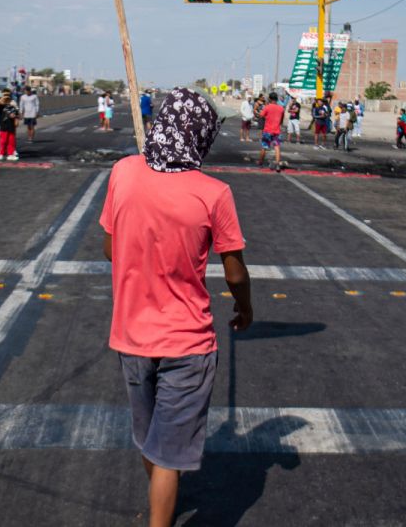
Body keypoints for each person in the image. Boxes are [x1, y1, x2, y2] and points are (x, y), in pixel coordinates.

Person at [99, 87, 252, 527]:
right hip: (187, 341)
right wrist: (245, 308)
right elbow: (235, 270)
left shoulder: (124, 172)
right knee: (167, 457)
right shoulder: (214, 193)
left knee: (151, 444)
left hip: (132, 336)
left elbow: (110, 248)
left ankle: (161, 498)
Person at [258, 91, 285, 168]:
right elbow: (281, 120)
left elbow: (261, 116)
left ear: (269, 99)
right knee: (277, 147)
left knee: (264, 147)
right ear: (277, 99)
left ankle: (260, 162)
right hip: (277, 131)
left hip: (267, 130)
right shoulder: (281, 108)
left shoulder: (267, 107)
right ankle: (277, 164)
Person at [0, 89, 20, 160]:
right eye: (5, 94)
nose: (7, 96)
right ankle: (1, 154)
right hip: (3, 124)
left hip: (11, 124)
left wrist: (17, 120)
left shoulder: (13, 102)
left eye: (8, 95)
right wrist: (3, 98)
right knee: (3, 140)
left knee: (11, 140)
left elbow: (17, 112)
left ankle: (10, 154)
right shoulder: (1, 103)